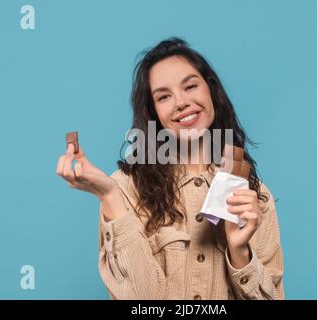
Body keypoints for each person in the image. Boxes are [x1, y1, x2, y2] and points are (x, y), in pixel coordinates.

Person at [56, 37, 284, 300]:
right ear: (154, 112)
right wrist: (110, 196)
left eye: (190, 86)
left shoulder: (256, 198)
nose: (181, 102)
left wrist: (239, 252)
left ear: (211, 91)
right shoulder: (124, 189)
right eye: (164, 96)